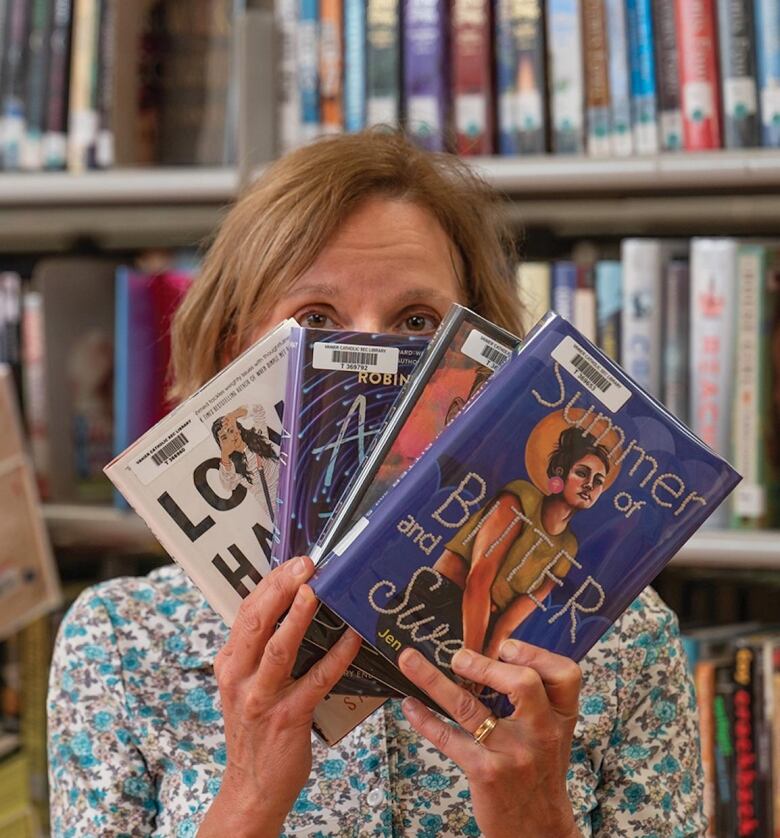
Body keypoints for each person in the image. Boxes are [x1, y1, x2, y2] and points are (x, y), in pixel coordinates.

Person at [47, 131, 704, 837]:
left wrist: (536, 818)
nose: (372, 360)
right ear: (238, 349)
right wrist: (248, 794)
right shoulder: (119, 643)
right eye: (316, 319)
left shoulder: (623, 642)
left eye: (417, 322)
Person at [433, 424, 612, 660]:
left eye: (598, 480)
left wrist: (488, 659)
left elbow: (513, 617)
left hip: (482, 629)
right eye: (582, 473)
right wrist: (474, 661)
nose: (590, 484)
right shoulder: (521, 498)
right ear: (560, 471)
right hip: (440, 599)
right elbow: (478, 579)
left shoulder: (568, 546)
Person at [212, 405, 280, 522]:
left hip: (294, 487)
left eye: (231, 430)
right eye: (224, 437)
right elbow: (227, 485)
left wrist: (234, 414)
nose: (231, 437)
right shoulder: (232, 467)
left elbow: (258, 410)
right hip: (278, 511)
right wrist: (224, 456)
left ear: (238, 429)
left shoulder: (258, 437)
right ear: (220, 444)